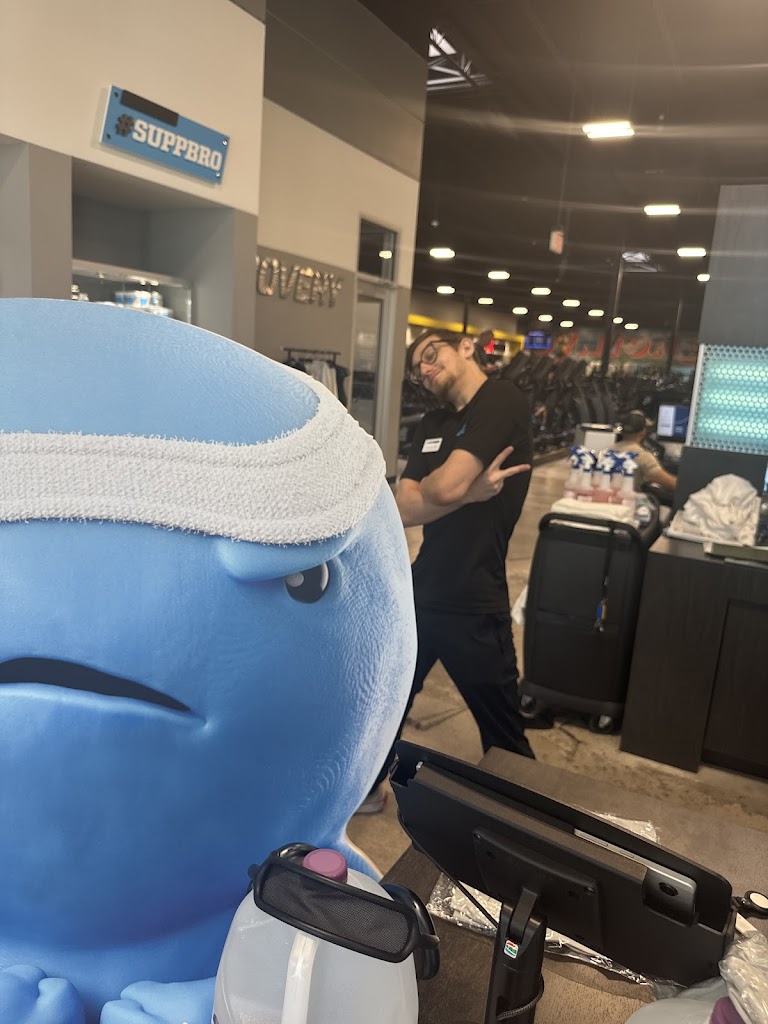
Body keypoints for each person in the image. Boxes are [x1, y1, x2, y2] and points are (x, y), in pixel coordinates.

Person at [357, 329, 534, 814]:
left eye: (431, 354)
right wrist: (469, 493)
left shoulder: (501, 401)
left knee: (503, 732)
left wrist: (449, 490)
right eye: (419, 367)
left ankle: (532, 821)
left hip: (474, 599)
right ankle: (367, 788)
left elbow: (442, 487)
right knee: (389, 701)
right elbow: (404, 508)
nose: (426, 368)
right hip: (422, 591)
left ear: (466, 348)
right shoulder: (434, 422)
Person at [615, 409, 677, 494]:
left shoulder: (606, 451)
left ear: (622, 431)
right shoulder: (642, 456)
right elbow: (671, 484)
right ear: (643, 432)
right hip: (628, 499)